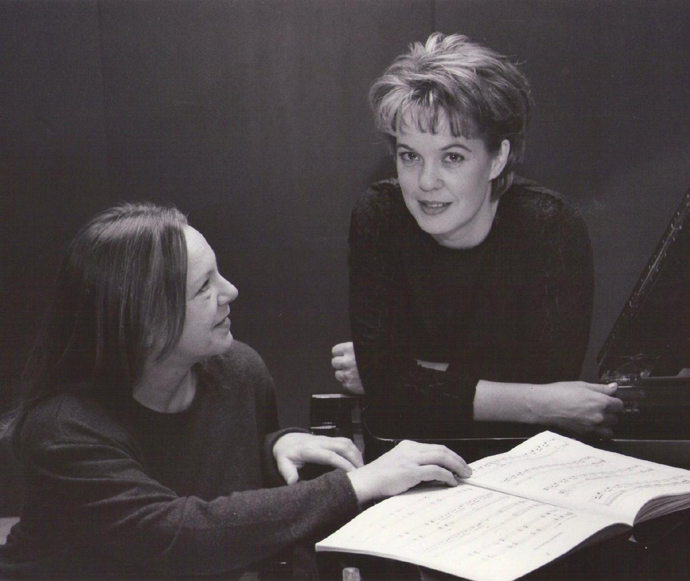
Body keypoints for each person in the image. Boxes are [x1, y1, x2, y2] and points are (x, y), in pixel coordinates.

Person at [0, 202, 470, 579]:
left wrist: (272, 446)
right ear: (143, 321)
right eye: (204, 286)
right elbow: (179, 536)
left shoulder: (237, 371)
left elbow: (216, 477)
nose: (231, 291)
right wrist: (356, 484)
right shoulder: (61, 430)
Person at [332, 33, 623, 443]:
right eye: (409, 155)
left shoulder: (549, 226)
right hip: (406, 457)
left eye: (452, 157)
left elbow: (547, 384)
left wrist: (410, 375)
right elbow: (546, 400)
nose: (426, 182)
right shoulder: (380, 216)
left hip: (521, 458)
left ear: (498, 158)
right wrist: (530, 399)